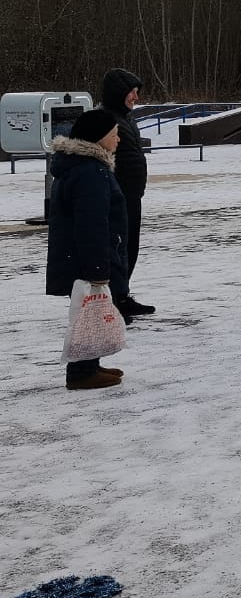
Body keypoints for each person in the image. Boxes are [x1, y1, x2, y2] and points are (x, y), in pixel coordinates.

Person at [45, 108, 130, 390]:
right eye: (114, 135)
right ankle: (81, 371)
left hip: (79, 254)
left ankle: (89, 364)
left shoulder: (81, 167)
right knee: (88, 311)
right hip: (87, 256)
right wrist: (98, 268)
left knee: (88, 309)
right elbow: (91, 223)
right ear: (100, 138)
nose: (118, 140)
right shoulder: (90, 172)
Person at [100, 68, 154, 320]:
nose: (136, 97)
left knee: (130, 247)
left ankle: (121, 295)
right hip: (117, 196)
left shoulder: (126, 119)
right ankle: (113, 299)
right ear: (119, 93)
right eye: (132, 92)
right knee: (117, 249)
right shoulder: (106, 120)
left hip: (131, 196)